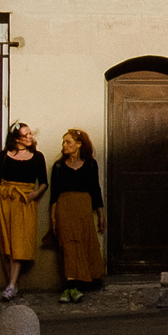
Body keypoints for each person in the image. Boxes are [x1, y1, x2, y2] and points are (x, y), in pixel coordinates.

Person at [0, 120, 49, 298]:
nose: (30, 137)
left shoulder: (38, 156)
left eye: (30, 134)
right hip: (4, 201)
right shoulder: (4, 156)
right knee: (6, 243)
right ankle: (12, 285)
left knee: (19, 242)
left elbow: (44, 183)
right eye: (26, 135)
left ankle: (10, 284)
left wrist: (35, 194)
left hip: (24, 201)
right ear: (16, 139)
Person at [48, 128, 107, 302]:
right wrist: (53, 217)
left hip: (83, 208)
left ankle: (76, 287)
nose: (64, 145)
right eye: (64, 142)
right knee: (68, 245)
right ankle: (71, 286)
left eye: (68, 142)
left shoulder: (90, 164)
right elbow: (54, 195)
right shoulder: (58, 166)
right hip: (64, 208)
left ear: (79, 144)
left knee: (83, 243)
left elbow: (96, 190)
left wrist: (101, 214)